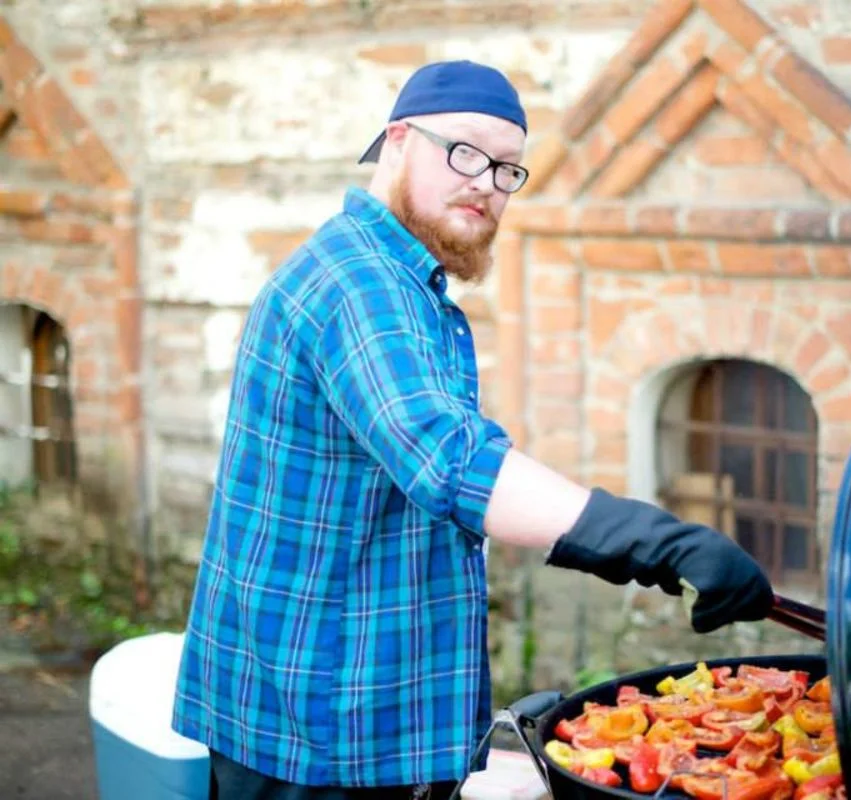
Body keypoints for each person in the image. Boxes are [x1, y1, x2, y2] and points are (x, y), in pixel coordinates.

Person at [171, 59, 774, 800]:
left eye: (508, 169)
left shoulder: (394, 280)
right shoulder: (357, 283)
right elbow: (452, 461)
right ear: (397, 140)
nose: (486, 182)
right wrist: (652, 540)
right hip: (312, 729)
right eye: (464, 153)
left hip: (355, 715)